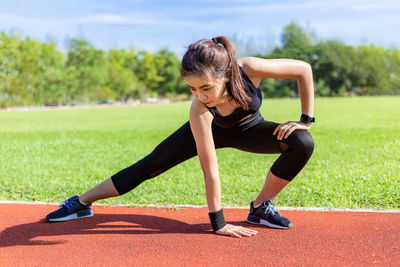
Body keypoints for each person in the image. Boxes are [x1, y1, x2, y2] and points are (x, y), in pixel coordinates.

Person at [46, 36, 315, 238]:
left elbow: (303, 70)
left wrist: (305, 120)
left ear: (228, 73)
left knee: (302, 142)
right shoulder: (200, 109)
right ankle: (81, 202)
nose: (200, 95)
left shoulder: (249, 70)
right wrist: (218, 223)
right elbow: (210, 170)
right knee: (150, 166)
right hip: (211, 132)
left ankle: (259, 208)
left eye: (206, 87)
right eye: (192, 88)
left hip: (250, 129)